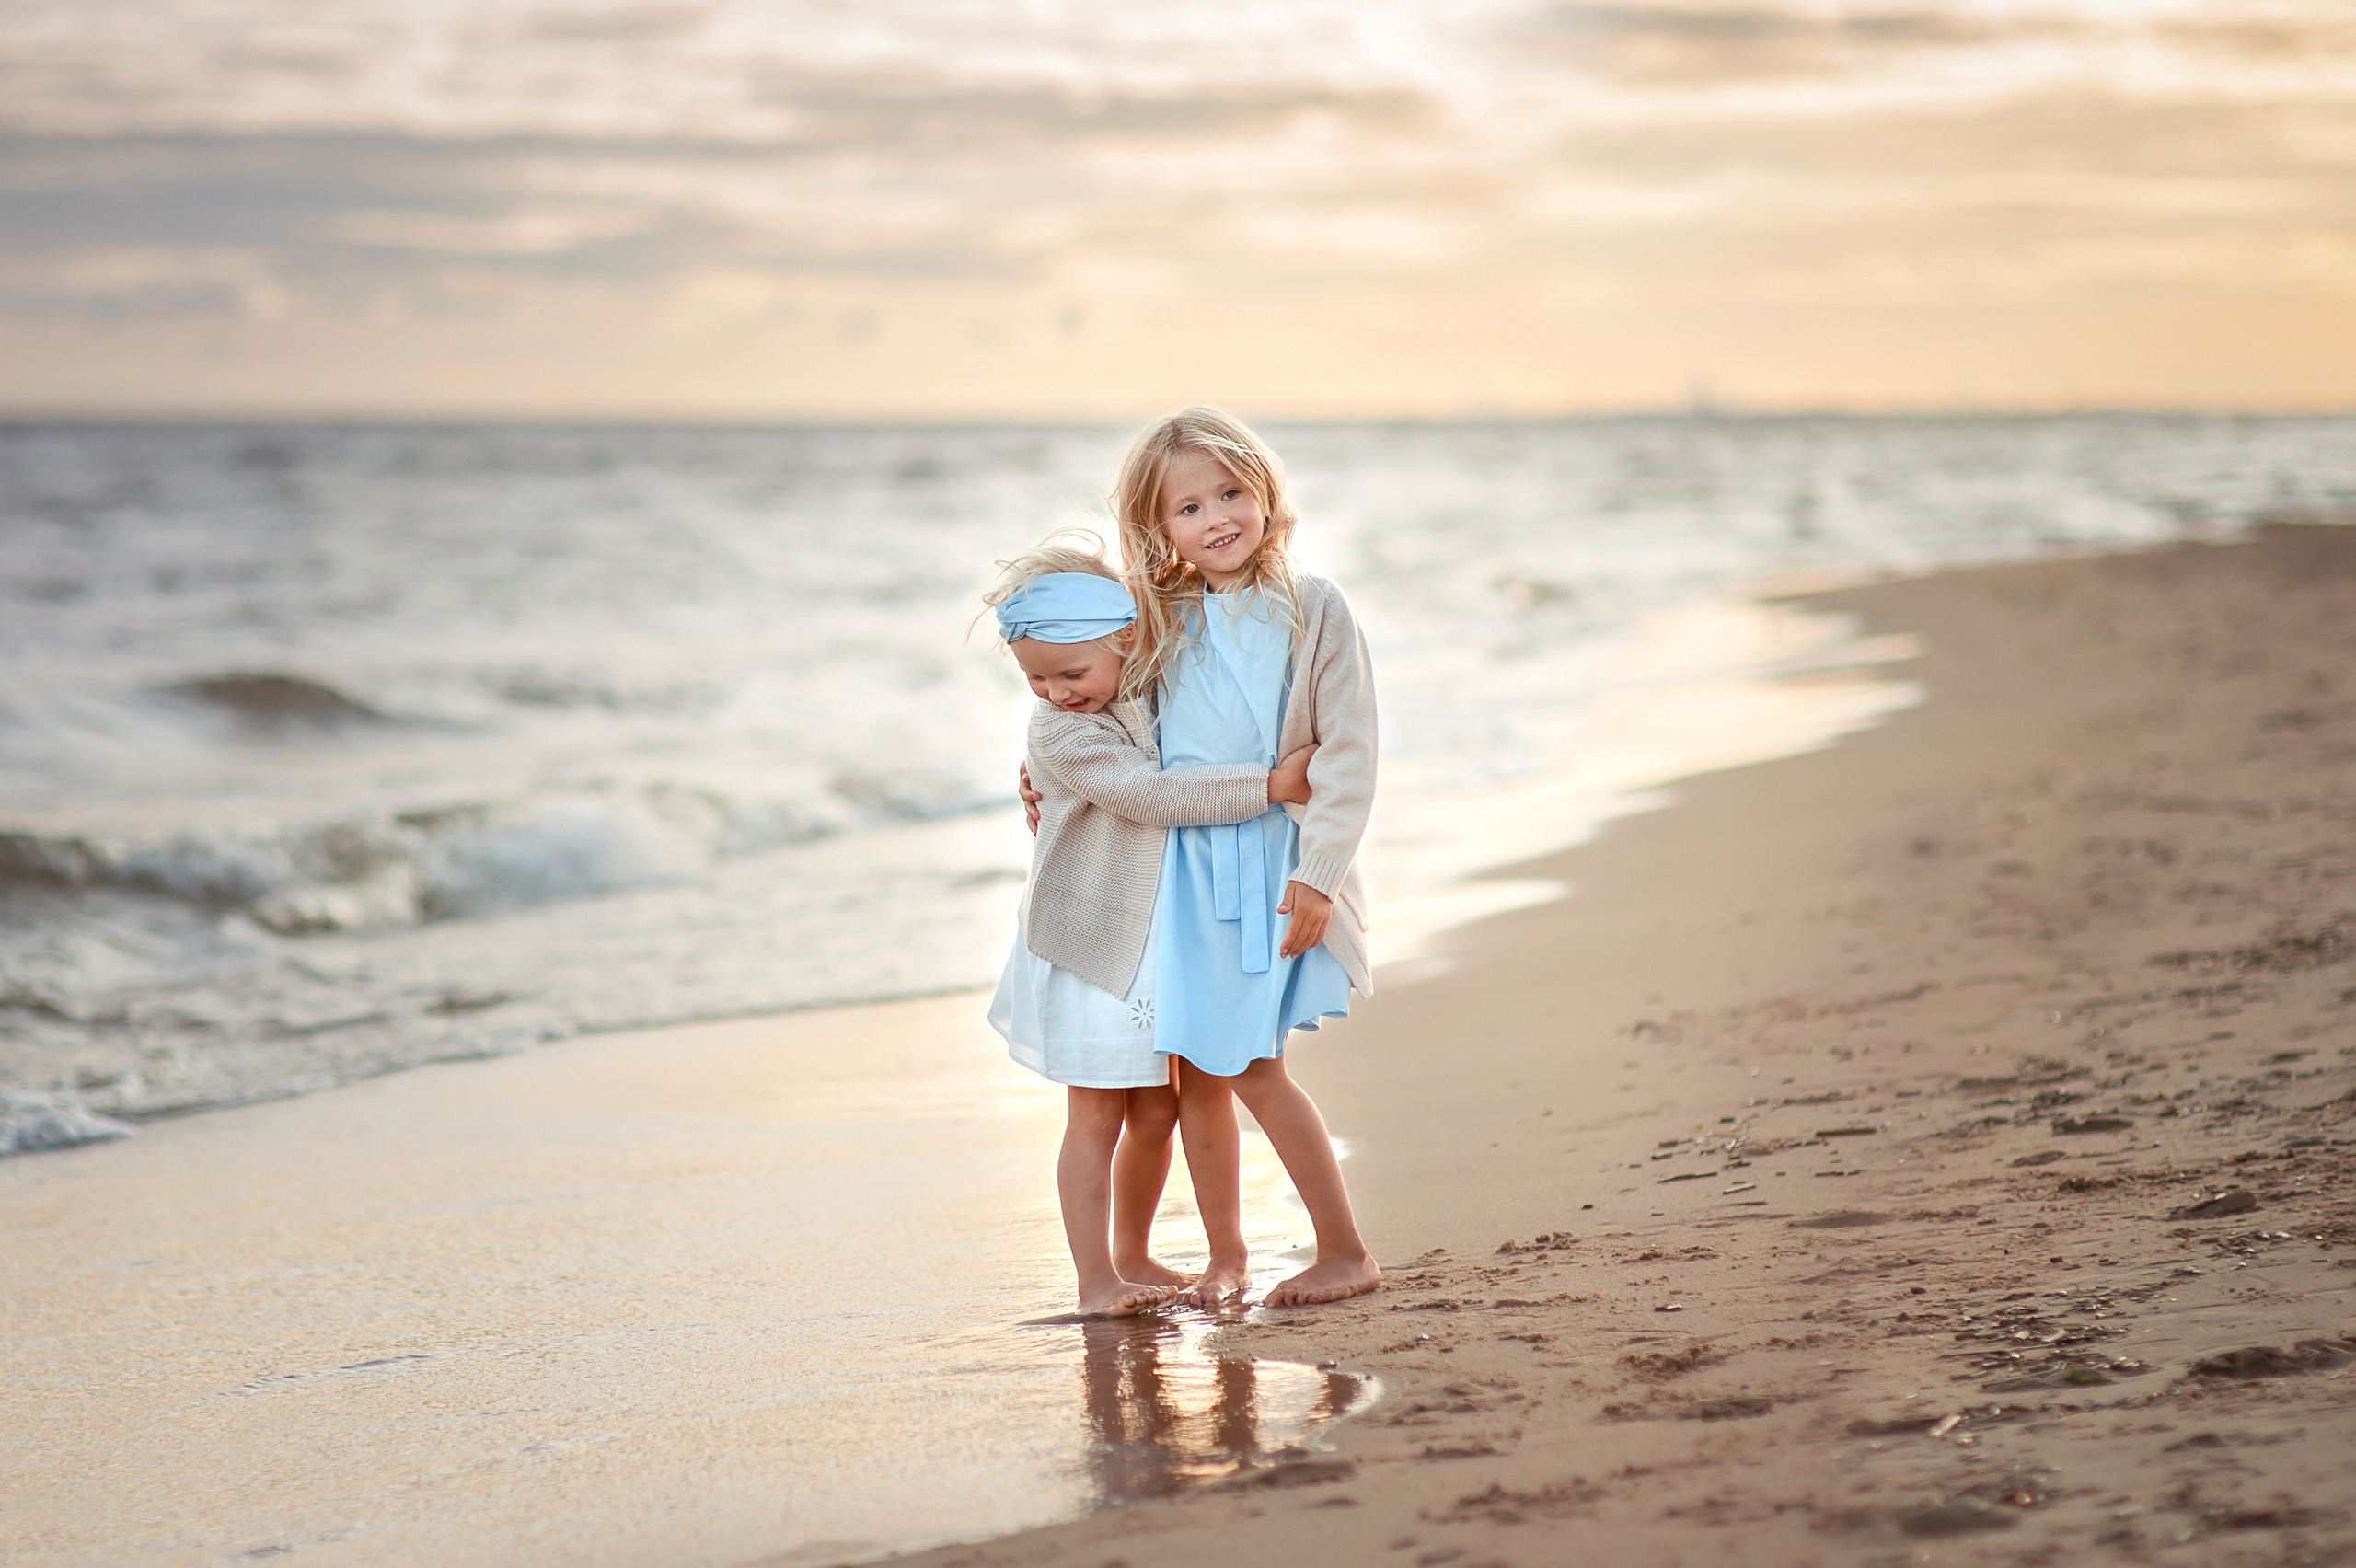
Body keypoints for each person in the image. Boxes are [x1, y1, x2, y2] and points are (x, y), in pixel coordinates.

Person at [1029, 408, 1383, 1309]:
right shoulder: (1159, 615)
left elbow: (1347, 757)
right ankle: (1227, 1257)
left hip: (1270, 868)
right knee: (1196, 1075)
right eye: (1188, 508)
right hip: (1175, 878)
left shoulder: (1315, 608)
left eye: (1230, 494)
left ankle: (1344, 1250)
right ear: (1158, 527)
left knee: (1251, 1066)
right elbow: (1092, 700)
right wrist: (1037, 777)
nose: (1216, 518)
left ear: (1264, 492)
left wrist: (1319, 876)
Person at [984, 541, 1318, 1318]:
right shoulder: (1062, 732)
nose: (1055, 692)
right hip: (1089, 944)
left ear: (1126, 639)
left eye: (1070, 673)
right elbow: (1151, 795)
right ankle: (1094, 1278)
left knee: (1160, 1110)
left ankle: (1135, 1254)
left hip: (1151, 941)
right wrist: (1272, 785)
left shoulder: (1147, 685)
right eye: (1036, 678)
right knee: (1098, 1113)